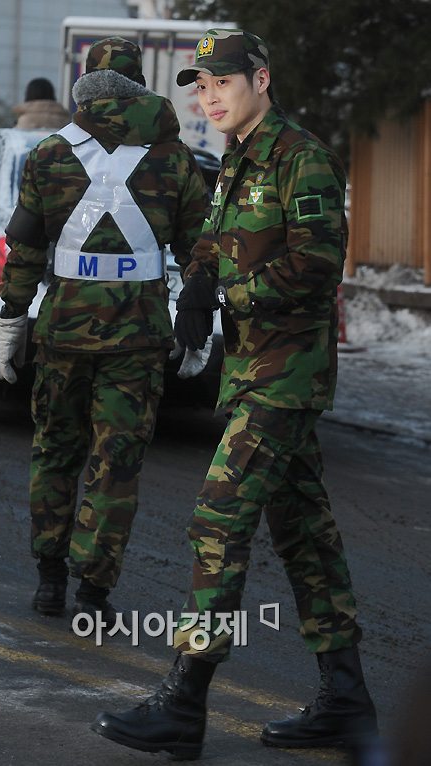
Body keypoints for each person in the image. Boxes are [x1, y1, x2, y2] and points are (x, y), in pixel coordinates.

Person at [91, 28, 378, 759]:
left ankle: (183, 702)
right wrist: (197, 281)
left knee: (219, 522)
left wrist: (227, 297)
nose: (209, 95)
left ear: (262, 79)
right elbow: (219, 242)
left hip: (286, 378)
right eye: (201, 85)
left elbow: (316, 265)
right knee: (305, 537)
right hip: (255, 374)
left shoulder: (299, 158)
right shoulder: (235, 161)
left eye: (223, 81)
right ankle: (346, 701)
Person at [0, 38, 208, 624]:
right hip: (137, 342)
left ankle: (49, 579)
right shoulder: (174, 159)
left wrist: (12, 318)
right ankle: (94, 588)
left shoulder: (49, 155)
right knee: (117, 466)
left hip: (61, 333)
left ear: (86, 85)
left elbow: (26, 247)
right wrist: (201, 320)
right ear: (140, 84)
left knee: (56, 453)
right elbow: (202, 251)